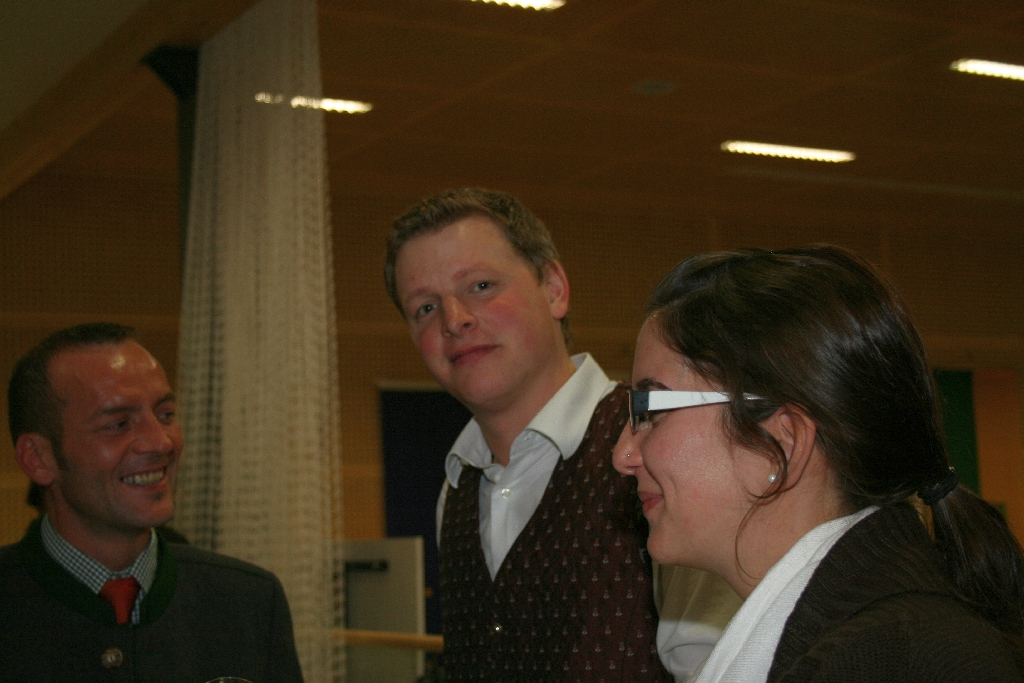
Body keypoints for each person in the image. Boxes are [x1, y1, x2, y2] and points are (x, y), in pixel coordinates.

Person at [613, 245, 1024, 683]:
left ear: (781, 441)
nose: (623, 455)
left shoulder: (892, 662)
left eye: (650, 409)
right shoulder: (863, 639)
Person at [385, 188, 741, 681]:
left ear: (554, 288)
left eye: (481, 286)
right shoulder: (455, 491)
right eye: (425, 308)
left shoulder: (661, 446)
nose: (455, 320)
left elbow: (717, 668)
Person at [1, 323, 304, 683]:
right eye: (118, 424)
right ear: (38, 458)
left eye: (166, 415)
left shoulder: (247, 602)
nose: (161, 442)